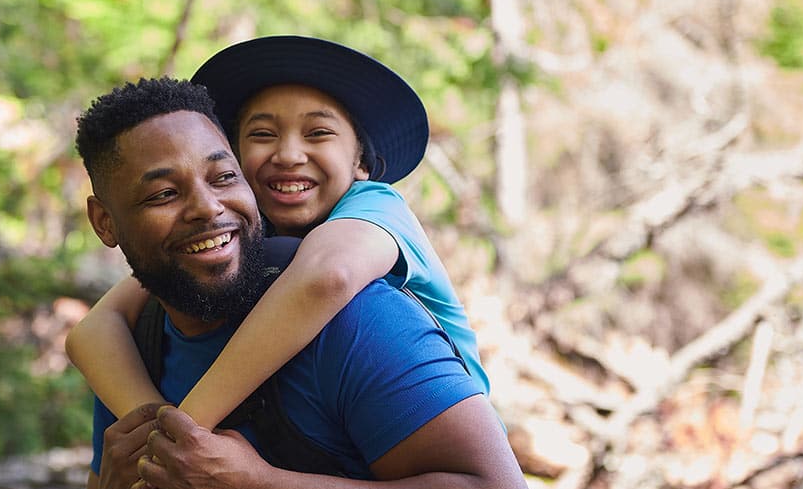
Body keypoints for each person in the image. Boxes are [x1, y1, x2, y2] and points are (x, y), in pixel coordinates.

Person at [71, 76, 539, 489]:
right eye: (163, 194)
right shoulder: (132, 351)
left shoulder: (355, 317)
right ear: (104, 222)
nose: (206, 207)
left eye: (222, 178)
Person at [66, 36, 489, 438]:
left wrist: (190, 427)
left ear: (360, 159)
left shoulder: (376, 207)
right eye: (262, 134)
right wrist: (151, 430)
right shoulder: (242, 230)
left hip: (447, 424)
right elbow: (93, 331)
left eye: (318, 133)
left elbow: (329, 276)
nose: (288, 155)